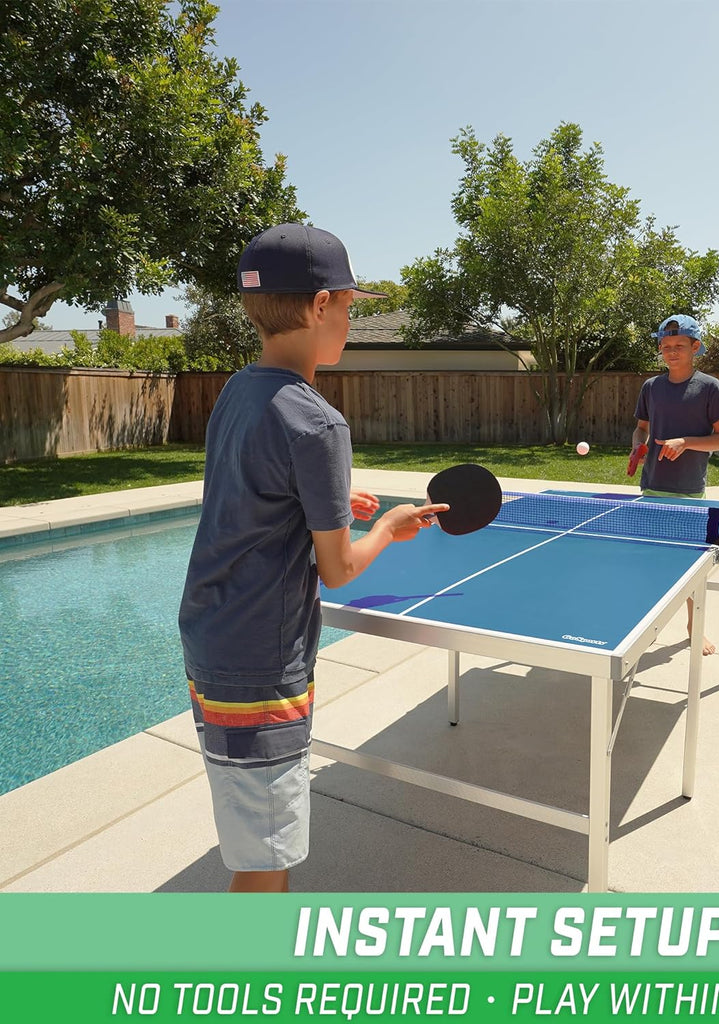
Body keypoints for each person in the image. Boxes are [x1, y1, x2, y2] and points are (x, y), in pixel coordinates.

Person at [178, 223, 448, 893]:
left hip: (214, 634)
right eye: (351, 307)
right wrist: (389, 527)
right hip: (263, 659)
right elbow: (339, 571)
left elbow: (251, 490)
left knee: (260, 841)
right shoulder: (320, 423)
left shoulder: (238, 392)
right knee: (265, 863)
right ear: (321, 305)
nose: (351, 322)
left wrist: (322, 498)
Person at [630, 313, 719, 656]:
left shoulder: (709, 387)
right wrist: (637, 443)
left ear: (695, 347)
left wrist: (685, 442)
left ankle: (694, 625)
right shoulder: (651, 388)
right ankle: (649, 623)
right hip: (652, 488)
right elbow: (642, 427)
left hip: (689, 489)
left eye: (679, 345)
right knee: (650, 561)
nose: (672, 351)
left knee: (692, 567)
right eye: (666, 346)